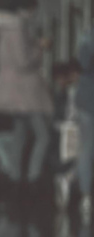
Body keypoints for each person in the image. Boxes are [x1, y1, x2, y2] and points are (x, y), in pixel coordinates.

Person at [0, 0, 53, 197]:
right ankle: (33, 177)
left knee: (20, 134)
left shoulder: (4, 27)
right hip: (26, 90)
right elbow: (23, 60)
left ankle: (16, 177)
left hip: (12, 89)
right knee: (43, 135)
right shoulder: (20, 26)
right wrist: (40, 47)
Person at [76, 28, 94, 220]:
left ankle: (86, 196)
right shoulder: (88, 39)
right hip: (90, 101)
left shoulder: (86, 38)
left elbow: (82, 65)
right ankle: (86, 196)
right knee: (87, 149)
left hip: (87, 100)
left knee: (86, 149)